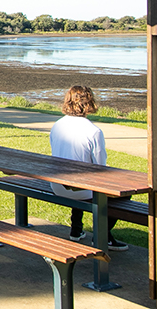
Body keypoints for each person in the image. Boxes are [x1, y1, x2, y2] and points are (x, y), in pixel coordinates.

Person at [49, 85, 128, 251]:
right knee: (122, 195)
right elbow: (100, 168)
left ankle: (76, 230)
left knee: (78, 180)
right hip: (80, 188)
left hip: (57, 185)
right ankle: (103, 236)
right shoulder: (93, 131)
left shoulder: (57, 125)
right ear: (89, 102)